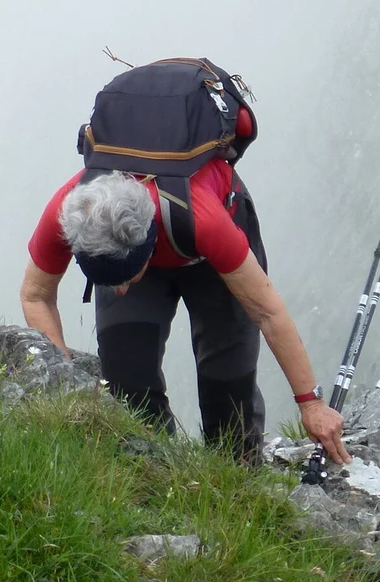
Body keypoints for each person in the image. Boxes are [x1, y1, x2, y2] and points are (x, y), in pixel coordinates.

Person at [19, 96, 348, 467]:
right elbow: (35, 295)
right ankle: (152, 474)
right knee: (127, 374)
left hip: (206, 252)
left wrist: (312, 403)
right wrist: (60, 370)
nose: (120, 292)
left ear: (147, 247)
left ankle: (238, 480)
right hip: (128, 244)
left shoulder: (204, 219)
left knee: (228, 380)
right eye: (107, 283)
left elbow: (268, 312)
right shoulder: (73, 211)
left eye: (124, 280)